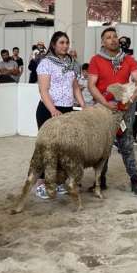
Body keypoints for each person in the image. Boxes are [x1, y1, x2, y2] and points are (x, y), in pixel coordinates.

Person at [87, 27, 137, 195]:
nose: (112, 39)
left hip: (124, 108)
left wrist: (130, 100)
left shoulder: (128, 60)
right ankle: (100, 180)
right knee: (103, 144)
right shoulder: (96, 60)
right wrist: (105, 103)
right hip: (104, 109)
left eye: (114, 36)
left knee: (126, 143)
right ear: (103, 42)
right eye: (108, 37)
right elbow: (91, 85)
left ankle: (135, 179)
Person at [33, 31, 86, 198]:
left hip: (67, 110)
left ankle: (61, 180)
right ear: (54, 44)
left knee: (65, 148)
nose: (65, 46)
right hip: (49, 110)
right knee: (47, 147)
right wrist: (53, 110)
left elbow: (76, 87)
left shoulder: (72, 63)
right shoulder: (46, 63)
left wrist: (84, 105)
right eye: (61, 43)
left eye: (67, 43)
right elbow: (43, 89)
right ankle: (41, 183)